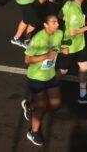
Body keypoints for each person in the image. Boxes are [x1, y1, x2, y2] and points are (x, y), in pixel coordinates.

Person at [21, 14, 64, 147]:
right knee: (43, 105)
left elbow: (56, 48)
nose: (57, 24)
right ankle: (33, 132)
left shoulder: (59, 34)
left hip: (50, 75)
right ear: (46, 25)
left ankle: (30, 106)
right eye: (54, 22)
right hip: (36, 77)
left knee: (56, 104)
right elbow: (27, 60)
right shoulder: (38, 38)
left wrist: (63, 50)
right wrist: (45, 55)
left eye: (57, 22)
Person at [58, 0, 87, 104]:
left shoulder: (69, 4)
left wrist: (66, 19)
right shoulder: (74, 10)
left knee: (84, 66)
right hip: (70, 46)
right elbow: (72, 32)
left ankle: (83, 95)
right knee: (63, 71)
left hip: (80, 45)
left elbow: (60, 15)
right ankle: (46, 89)